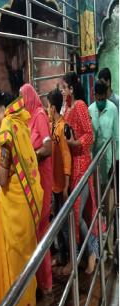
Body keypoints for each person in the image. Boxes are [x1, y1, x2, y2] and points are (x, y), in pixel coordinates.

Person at [0, 89, 43, 306]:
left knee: (15, 264)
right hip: (28, 206)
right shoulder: (20, 121)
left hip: (14, 212)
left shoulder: (6, 129)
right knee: (26, 259)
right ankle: (28, 305)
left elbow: (2, 179)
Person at [61, 71, 99, 274]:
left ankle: (91, 253)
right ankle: (84, 254)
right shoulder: (67, 108)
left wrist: (75, 143)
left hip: (82, 163)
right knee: (76, 214)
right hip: (71, 164)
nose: (62, 90)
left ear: (72, 88)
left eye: (64, 87)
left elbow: (89, 135)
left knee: (78, 213)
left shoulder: (81, 106)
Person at [20, 83, 53, 297]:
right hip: (34, 180)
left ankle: (47, 283)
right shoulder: (29, 118)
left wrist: (31, 158)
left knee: (41, 228)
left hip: (43, 179)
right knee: (36, 230)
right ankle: (39, 283)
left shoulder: (40, 115)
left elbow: (48, 148)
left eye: (24, 98)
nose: (22, 103)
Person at [89, 80, 119, 258]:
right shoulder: (90, 109)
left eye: (102, 98)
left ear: (105, 96)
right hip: (94, 167)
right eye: (97, 97)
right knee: (96, 207)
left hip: (109, 165)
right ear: (94, 96)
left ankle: (110, 247)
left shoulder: (113, 109)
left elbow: (117, 137)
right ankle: (98, 246)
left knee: (109, 208)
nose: (99, 100)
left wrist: (116, 162)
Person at [47, 88, 72, 266]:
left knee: (62, 222)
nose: (47, 109)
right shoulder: (52, 126)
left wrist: (66, 185)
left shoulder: (62, 128)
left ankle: (65, 256)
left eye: (48, 106)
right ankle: (59, 252)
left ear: (53, 108)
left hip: (60, 183)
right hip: (53, 183)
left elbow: (66, 156)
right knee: (56, 218)